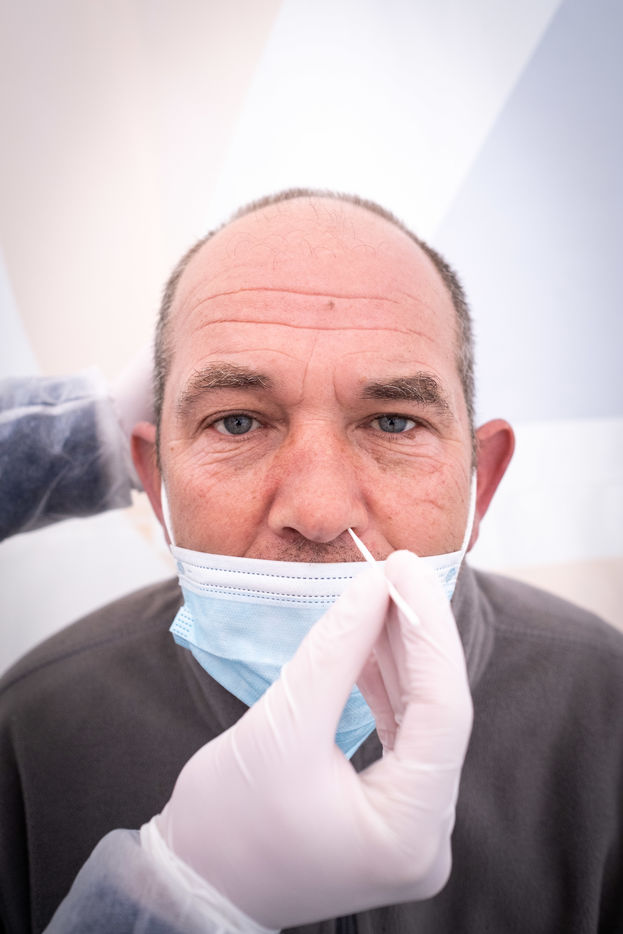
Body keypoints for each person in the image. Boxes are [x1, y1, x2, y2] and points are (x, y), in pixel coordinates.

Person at [1, 189, 622, 933]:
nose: (319, 511)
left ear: (479, 484)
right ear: (155, 482)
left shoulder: (607, 708)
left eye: (393, 421)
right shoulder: (32, 733)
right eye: (237, 421)